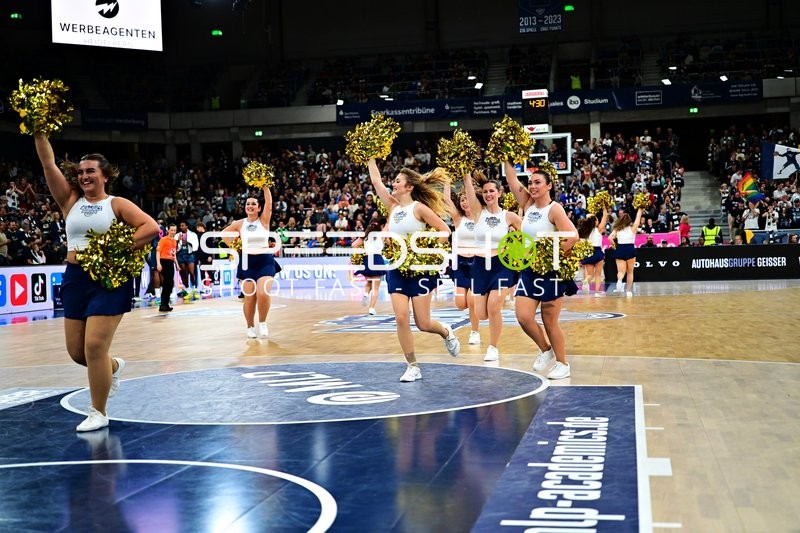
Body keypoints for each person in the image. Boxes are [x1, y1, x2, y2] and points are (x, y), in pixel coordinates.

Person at [34, 133, 159, 432]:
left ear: (105, 176)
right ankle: (113, 367)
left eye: (90, 171)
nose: (84, 175)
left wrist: (115, 249)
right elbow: (47, 162)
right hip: (75, 278)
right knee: (78, 353)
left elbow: (151, 227)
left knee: (93, 347)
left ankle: (98, 412)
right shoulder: (69, 200)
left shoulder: (117, 204)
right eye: (80, 172)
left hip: (108, 279)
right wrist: (39, 131)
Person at [367, 158, 460, 382]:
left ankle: (445, 332)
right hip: (397, 267)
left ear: (409, 187)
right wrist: (370, 155)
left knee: (423, 322)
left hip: (421, 269)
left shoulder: (419, 208)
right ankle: (412, 365)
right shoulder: (393, 206)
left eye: (398, 181)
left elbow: (444, 230)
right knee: (400, 318)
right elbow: (376, 181)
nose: (393, 184)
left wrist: (425, 247)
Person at [505, 161, 578, 380]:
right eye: (531, 183)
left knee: (550, 321)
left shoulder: (554, 209)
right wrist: (506, 155)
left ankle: (563, 363)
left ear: (549, 185)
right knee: (523, 316)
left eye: (538, 182)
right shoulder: (527, 204)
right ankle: (546, 350)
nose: (533, 186)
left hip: (550, 272)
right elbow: (511, 180)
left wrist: (549, 256)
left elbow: (572, 236)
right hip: (529, 270)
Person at [463, 170, 522, 362]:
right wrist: (464, 170)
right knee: (482, 314)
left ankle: (493, 347)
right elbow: (469, 189)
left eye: (492, 191)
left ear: (500, 193)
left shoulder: (509, 216)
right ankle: (488, 338)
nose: (488, 194)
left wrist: (514, 242)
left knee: (494, 306)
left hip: (501, 264)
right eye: (485, 191)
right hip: (479, 265)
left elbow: (527, 237)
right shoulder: (477, 212)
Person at [223, 183, 276, 339]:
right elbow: (224, 234)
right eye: (248, 204)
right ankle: (250, 326)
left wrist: (265, 185)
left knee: (263, 292)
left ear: (259, 208)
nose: (250, 206)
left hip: (265, 260)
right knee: (250, 296)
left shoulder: (264, 220)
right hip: (247, 262)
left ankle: (263, 323)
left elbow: (270, 203)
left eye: (254, 204)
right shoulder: (239, 224)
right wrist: (235, 247)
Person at [443, 185, 481, 346]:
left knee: (472, 300)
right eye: (462, 200)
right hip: (460, 263)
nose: (465, 202)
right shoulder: (458, 219)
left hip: (477, 263)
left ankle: (475, 332)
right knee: (461, 304)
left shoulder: (480, 217)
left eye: (467, 198)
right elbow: (446, 199)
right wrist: (447, 178)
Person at [351, 219, 386, 316]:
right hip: (377, 259)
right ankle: (371, 308)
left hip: (367, 259)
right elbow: (388, 226)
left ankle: (366, 294)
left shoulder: (365, 237)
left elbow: (353, 245)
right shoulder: (381, 235)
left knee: (369, 281)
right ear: (379, 226)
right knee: (376, 287)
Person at [609, 206, 644, 297]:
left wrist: (615, 245)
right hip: (630, 249)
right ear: (629, 221)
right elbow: (638, 218)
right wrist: (640, 209)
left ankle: (619, 281)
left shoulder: (617, 229)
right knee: (630, 272)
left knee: (621, 271)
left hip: (620, 248)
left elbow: (610, 238)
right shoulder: (633, 228)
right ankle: (628, 291)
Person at [576, 207, 609, 297]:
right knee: (598, 275)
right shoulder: (598, 229)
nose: (598, 221)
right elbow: (605, 217)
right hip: (597, 251)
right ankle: (597, 292)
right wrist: (605, 208)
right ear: (595, 222)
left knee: (590, 274)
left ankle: (586, 280)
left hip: (588, 252)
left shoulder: (584, 231)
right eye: (597, 220)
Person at [156, 224, 178, 312]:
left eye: (174, 230)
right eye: (171, 230)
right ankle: (163, 304)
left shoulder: (174, 241)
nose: (173, 232)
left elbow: (174, 254)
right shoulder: (163, 239)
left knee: (169, 284)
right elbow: (158, 252)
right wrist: (158, 264)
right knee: (166, 283)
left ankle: (166, 304)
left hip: (171, 262)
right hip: (164, 261)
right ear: (168, 230)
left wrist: (177, 264)